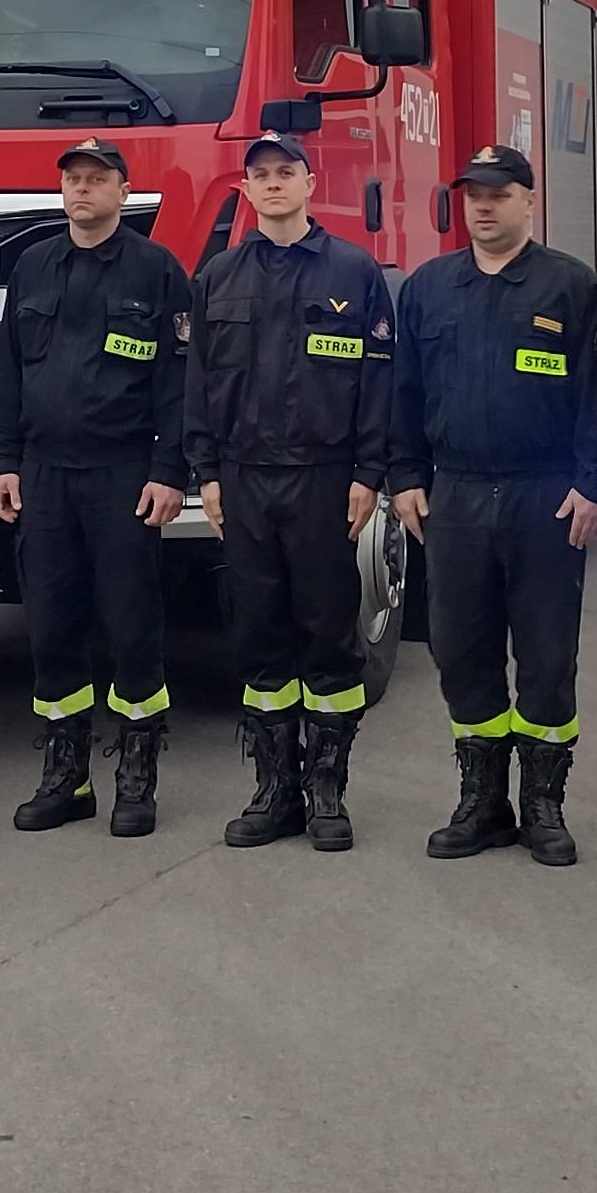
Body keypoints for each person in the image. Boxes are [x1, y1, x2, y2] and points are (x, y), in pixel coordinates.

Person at [391, 144, 597, 867]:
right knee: (461, 651)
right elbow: (403, 392)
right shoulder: (428, 288)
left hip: (543, 495)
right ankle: (482, 803)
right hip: (453, 493)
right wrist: (405, 475)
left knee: (546, 654)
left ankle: (543, 806)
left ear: (529, 202)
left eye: (499, 193)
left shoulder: (570, 286)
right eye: (473, 194)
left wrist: (592, 482)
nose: (483, 206)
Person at [185, 131, 394, 853]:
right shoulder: (218, 276)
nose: (273, 184)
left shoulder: (354, 271)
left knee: (329, 635)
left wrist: (368, 473)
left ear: (309, 183)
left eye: (286, 172)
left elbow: (377, 380)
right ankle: (275, 790)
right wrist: (207, 473)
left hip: (323, 477)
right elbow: (197, 382)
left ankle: (327, 791)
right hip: (243, 478)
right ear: (246, 189)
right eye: (261, 174)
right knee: (258, 634)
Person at [0, 136, 195, 836]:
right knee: (51, 625)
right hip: (44, 474)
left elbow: (177, 381)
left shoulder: (156, 271)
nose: (82, 189)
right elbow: (7, 371)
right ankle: (66, 775)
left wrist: (170, 471)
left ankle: (137, 775)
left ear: (123, 193)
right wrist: (2, 461)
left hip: (122, 472)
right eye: (73, 178)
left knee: (131, 624)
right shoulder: (35, 266)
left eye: (97, 179)